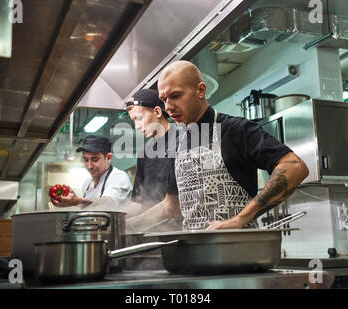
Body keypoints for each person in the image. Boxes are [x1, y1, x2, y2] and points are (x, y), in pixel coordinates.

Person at [126, 60, 309, 231]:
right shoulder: (178, 144)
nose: (169, 107)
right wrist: (125, 227)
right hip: (193, 253)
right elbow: (171, 206)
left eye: (176, 96)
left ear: (201, 90)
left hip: (237, 252)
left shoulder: (236, 130)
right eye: (164, 99)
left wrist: (242, 218)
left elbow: (294, 167)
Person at [124, 89, 181, 230]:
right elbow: (139, 202)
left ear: (157, 112)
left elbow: (174, 205)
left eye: (139, 118)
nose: (137, 127)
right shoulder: (145, 151)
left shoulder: (184, 139)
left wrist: (132, 224)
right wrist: (113, 219)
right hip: (149, 229)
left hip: (177, 230)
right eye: (134, 121)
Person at [51, 134, 132, 210]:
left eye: (95, 160)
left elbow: (107, 204)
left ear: (108, 158)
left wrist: (78, 201)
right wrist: (73, 203)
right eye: (86, 160)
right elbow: (90, 208)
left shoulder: (119, 177)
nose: (89, 166)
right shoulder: (87, 183)